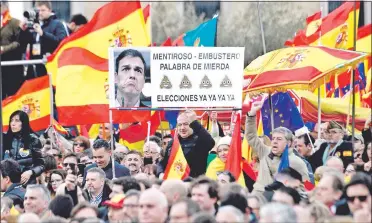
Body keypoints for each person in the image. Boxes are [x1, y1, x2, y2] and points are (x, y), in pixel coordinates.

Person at [246, 101, 310, 193]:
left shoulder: (297, 162)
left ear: (288, 143)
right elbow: (251, 136)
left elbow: (306, 185)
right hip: (260, 195)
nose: (275, 141)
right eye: (273, 138)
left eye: (279, 139)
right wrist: (251, 114)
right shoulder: (265, 151)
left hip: (281, 198)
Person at [3, 110, 45, 185]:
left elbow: (41, 165)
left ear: (24, 123)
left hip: (27, 183)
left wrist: (30, 172)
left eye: (17, 121)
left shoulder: (33, 139)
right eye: (11, 120)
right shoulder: (5, 139)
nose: (13, 124)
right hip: (8, 183)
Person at [1, 0, 28, 99]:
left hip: (12, 64)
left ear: (5, 6)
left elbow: (19, 43)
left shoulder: (14, 22)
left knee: (13, 95)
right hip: (2, 65)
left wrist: (4, 48)